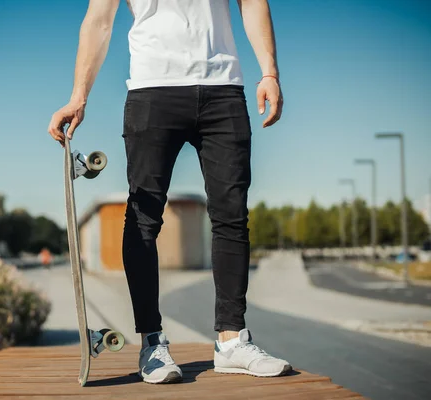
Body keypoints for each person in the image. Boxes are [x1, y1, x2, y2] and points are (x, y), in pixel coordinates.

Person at [48, 0, 291, 384]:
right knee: (143, 218)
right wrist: (79, 95)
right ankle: (151, 343)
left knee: (232, 214)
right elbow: (98, 21)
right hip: (151, 90)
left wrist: (270, 73)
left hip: (223, 87)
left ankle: (231, 341)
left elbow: (252, 2)